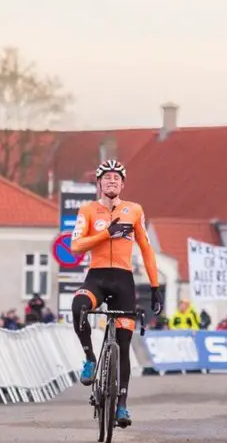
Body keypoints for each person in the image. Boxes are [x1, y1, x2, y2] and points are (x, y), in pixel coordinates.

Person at [70, 160, 163, 429]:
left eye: (116, 178)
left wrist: (155, 287)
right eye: (106, 178)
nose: (111, 181)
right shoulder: (87, 210)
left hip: (124, 281)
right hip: (97, 277)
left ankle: (121, 404)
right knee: (79, 306)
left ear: (123, 184)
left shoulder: (134, 210)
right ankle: (89, 358)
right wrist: (106, 234)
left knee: (122, 346)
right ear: (98, 184)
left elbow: (146, 249)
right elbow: (76, 246)